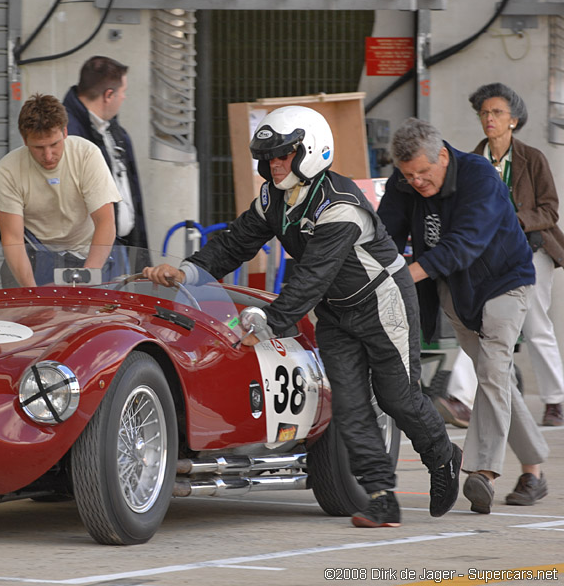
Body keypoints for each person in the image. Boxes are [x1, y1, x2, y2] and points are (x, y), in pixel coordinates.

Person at [143, 105, 461, 529]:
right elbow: (236, 243)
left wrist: (268, 325)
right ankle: (382, 496)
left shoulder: (340, 204)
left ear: (310, 151)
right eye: (269, 156)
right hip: (336, 308)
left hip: (383, 303)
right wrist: (185, 272)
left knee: (396, 398)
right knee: (347, 406)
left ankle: (443, 458)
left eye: (283, 155)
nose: (273, 164)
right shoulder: (272, 197)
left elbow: (311, 277)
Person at [377, 117, 550, 512]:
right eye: (409, 175)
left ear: (442, 156)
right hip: (455, 289)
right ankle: (534, 470)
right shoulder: (403, 183)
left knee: (491, 370)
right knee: (497, 376)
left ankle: (481, 474)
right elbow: (385, 234)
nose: (417, 182)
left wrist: (405, 273)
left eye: (423, 172)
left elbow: (464, 244)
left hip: (506, 281)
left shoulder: (479, 176)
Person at [468, 82, 564, 428]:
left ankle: (555, 401)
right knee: (477, 321)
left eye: (497, 112)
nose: (489, 119)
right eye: (484, 113)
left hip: (531, 247)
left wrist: (515, 220)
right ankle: (463, 398)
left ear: (514, 119)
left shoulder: (532, 158)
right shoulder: (472, 161)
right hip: (487, 253)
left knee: (536, 323)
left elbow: (550, 211)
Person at [0, 93, 120, 287]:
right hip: (33, 257)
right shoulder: (7, 170)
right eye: (38, 147)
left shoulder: (87, 155)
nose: (48, 155)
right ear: (24, 140)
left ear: (65, 132)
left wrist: (86, 279)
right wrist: (32, 294)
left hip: (87, 255)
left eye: (54, 144)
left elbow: (105, 222)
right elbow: (13, 239)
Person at [63, 56, 147, 250]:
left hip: (122, 250)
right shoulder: (67, 136)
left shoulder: (114, 131)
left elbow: (132, 195)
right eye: (123, 92)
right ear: (108, 95)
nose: (124, 97)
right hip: (86, 255)